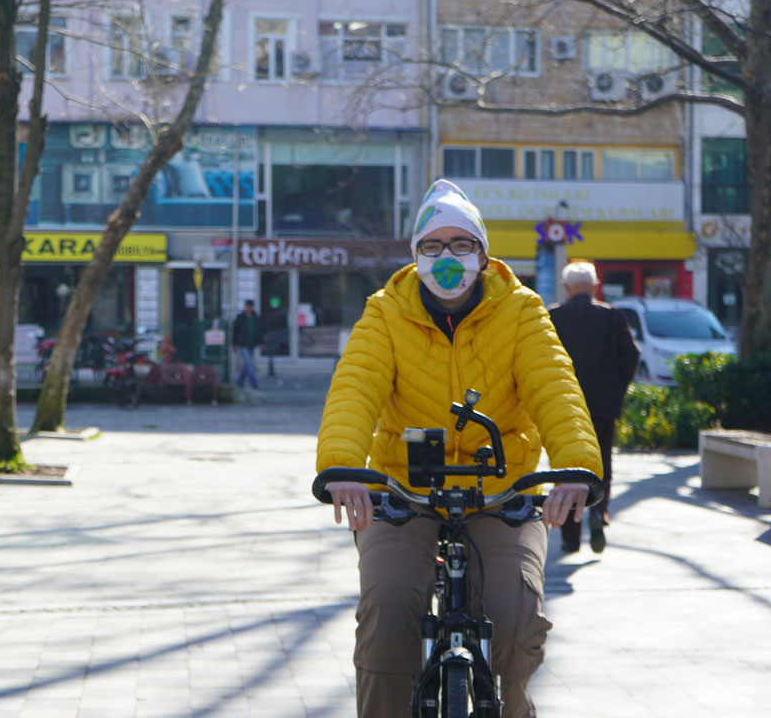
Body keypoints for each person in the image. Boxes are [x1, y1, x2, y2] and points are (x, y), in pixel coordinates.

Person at [317, 179, 603, 718]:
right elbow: (355, 386)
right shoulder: (386, 312)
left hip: (501, 493)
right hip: (403, 494)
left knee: (517, 617)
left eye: (462, 244)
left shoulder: (521, 311)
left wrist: (577, 467)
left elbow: (554, 386)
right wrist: (340, 466)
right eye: (432, 246)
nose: (447, 257)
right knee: (388, 611)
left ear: (483, 254)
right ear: (416, 255)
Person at [548, 261, 640, 553]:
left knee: (567, 469)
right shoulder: (612, 316)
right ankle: (599, 511)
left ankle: (570, 538)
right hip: (603, 406)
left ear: (566, 288)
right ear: (595, 286)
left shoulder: (553, 316)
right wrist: (616, 389)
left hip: (564, 407)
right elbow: (631, 355)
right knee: (602, 466)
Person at [231, 299, 264, 389]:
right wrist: (233, 344)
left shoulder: (256, 317)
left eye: (250, 307)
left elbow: (259, 331)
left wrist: (261, 342)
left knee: (246, 364)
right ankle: (254, 382)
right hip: (242, 344)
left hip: (252, 344)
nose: (248, 308)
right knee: (249, 363)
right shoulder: (240, 317)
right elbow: (235, 331)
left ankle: (240, 381)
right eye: (247, 306)